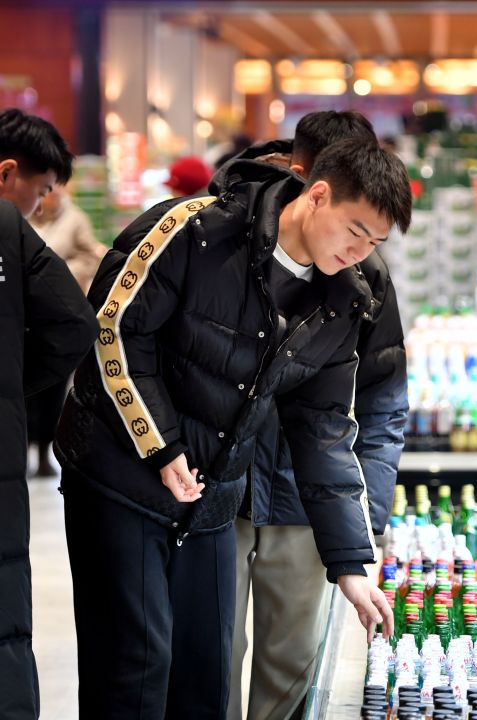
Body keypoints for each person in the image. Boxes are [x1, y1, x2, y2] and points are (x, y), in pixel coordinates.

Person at [54, 134, 411, 718]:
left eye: (374, 242)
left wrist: (349, 563)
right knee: (135, 671)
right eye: (355, 231)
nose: (359, 252)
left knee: (204, 677)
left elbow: (322, 429)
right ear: (318, 195)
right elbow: (112, 330)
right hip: (120, 479)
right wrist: (160, 445)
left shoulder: (343, 298)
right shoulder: (193, 229)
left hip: (211, 495)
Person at [226, 112, 407, 720]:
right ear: (309, 182)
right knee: (211, 659)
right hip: (215, 492)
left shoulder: (363, 275)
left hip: (308, 500)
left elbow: (382, 399)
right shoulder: (220, 235)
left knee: (292, 668)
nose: (356, 246)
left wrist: (363, 520)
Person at [0, 108, 99, 720]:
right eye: (39, 191)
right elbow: (73, 324)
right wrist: (13, 381)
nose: (39, 206)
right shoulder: (8, 228)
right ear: (6, 172)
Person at [26, 185, 106, 477]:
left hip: (58, 314)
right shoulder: (20, 216)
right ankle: (22, 448)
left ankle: (44, 452)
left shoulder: (75, 218)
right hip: (26, 314)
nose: (49, 196)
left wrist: (58, 274)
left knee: (53, 388)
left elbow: (89, 256)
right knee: (24, 389)